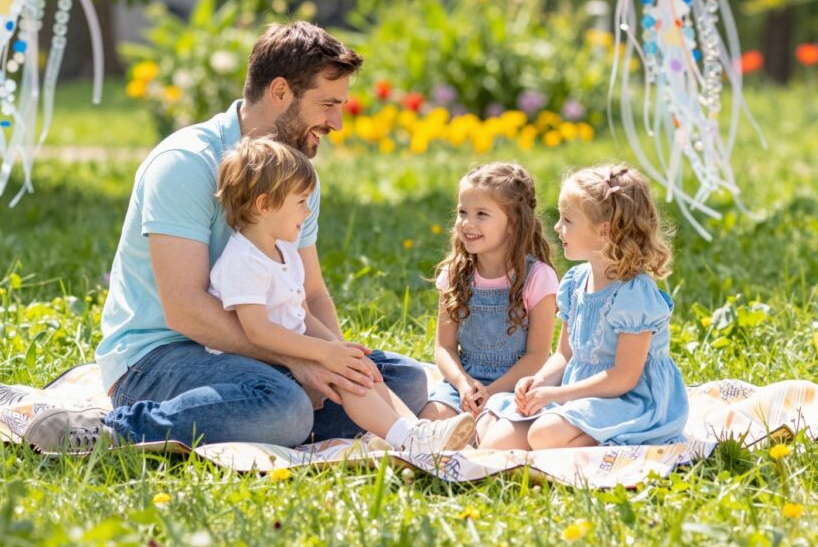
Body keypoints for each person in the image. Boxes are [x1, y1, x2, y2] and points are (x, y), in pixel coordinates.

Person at [24, 22, 427, 454]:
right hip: (161, 357)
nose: (337, 122)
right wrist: (299, 358)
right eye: (327, 104)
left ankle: (264, 418)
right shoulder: (186, 163)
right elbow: (186, 311)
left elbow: (310, 294)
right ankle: (113, 430)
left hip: (256, 350)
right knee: (285, 406)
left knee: (406, 379)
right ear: (279, 92)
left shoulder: (296, 176)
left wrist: (342, 366)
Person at [209, 137, 475, 453]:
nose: (307, 211)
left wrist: (338, 348)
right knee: (343, 376)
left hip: (289, 352)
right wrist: (323, 354)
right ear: (264, 205)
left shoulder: (285, 252)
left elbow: (301, 314)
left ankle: (416, 433)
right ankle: (405, 436)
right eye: (300, 201)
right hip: (250, 365)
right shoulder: (244, 260)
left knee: (356, 367)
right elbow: (257, 330)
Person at [478, 163, 688, 450]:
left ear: (604, 231)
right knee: (494, 437)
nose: (557, 227)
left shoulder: (633, 294)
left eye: (567, 220)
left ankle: (629, 438)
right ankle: (562, 433)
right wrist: (537, 384)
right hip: (578, 394)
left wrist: (558, 394)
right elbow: (565, 355)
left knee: (543, 434)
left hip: (630, 401)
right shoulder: (576, 281)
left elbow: (624, 377)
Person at [419, 163, 558, 440]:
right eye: (462, 212)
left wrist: (490, 393)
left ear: (514, 223)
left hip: (514, 387)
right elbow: (444, 348)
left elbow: (537, 356)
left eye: (481, 214)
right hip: (465, 384)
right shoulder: (455, 274)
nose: (467, 223)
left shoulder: (538, 277)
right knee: (428, 421)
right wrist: (463, 385)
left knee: (490, 434)